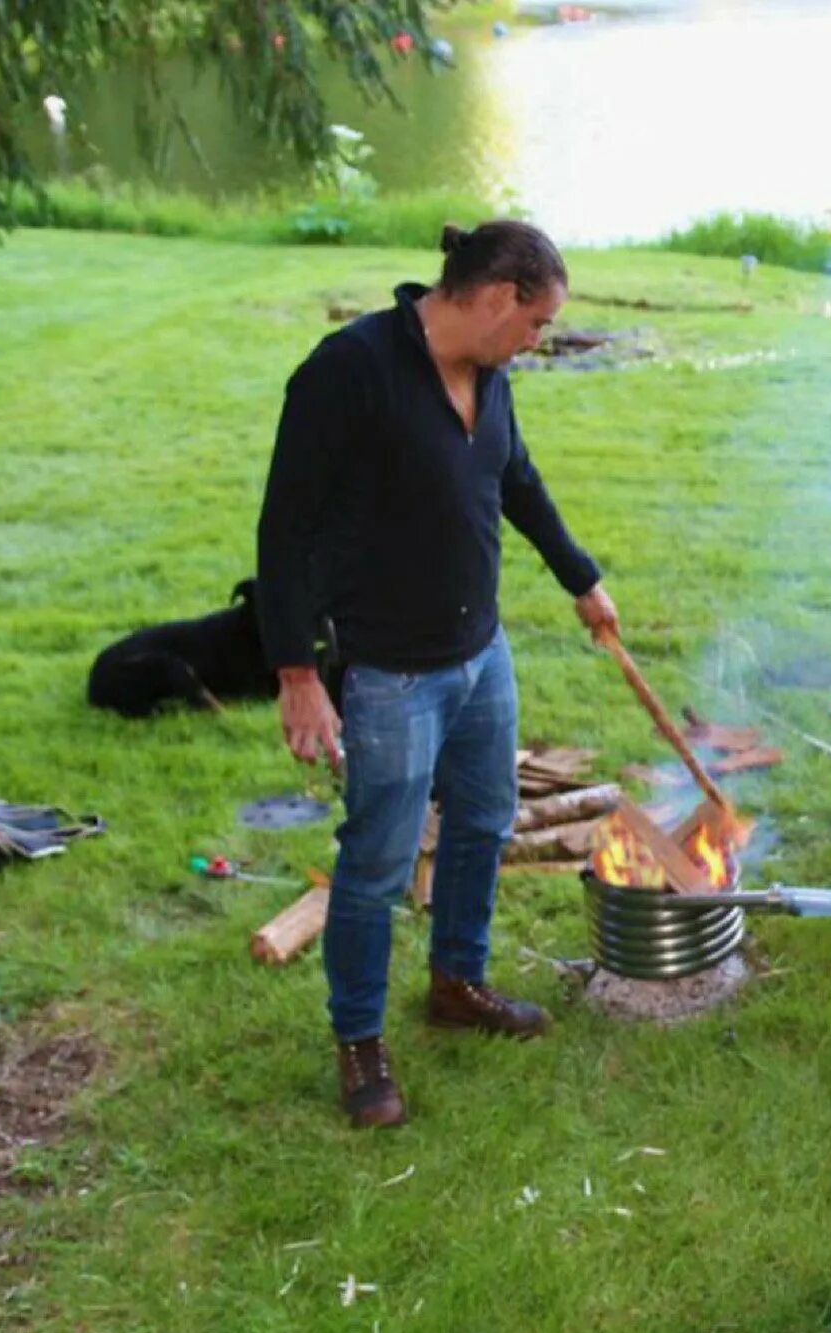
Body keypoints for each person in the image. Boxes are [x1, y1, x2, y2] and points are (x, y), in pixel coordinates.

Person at [256, 220, 618, 1129]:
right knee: (376, 861)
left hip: (481, 655)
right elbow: (284, 530)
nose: (537, 343)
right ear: (496, 298)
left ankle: (457, 980)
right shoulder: (350, 370)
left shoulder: (489, 377)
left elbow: (518, 481)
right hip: (389, 672)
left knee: (485, 819)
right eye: (536, 323)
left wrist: (582, 577)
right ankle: (359, 1042)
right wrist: (298, 672)